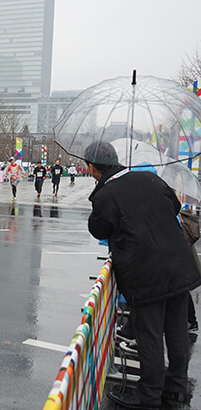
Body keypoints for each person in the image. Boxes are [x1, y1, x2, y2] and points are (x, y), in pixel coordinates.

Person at [85, 141, 201, 409]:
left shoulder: (106, 195)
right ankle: (177, 390)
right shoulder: (150, 178)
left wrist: (101, 194)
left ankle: (148, 394)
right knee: (176, 332)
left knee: (148, 334)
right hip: (178, 267)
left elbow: (99, 229)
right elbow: (173, 207)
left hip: (145, 275)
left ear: (92, 167)